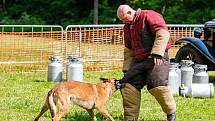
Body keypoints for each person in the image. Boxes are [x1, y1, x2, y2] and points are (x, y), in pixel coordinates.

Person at [117, 5, 176, 121]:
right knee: (128, 85)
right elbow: (128, 48)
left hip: (157, 57)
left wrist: (157, 52)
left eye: (124, 19)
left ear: (129, 12)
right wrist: (127, 69)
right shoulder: (127, 26)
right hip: (140, 61)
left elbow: (163, 33)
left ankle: (171, 113)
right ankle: (130, 119)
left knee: (157, 85)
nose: (124, 22)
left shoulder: (149, 15)